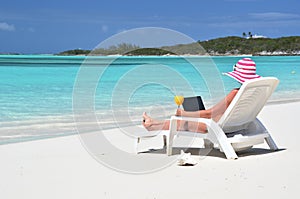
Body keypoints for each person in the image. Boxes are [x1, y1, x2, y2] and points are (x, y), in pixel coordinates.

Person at [142, 57, 261, 133]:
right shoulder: (254, 92)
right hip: (235, 124)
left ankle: (152, 124)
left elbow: (209, 114)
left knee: (180, 122)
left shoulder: (236, 93)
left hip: (215, 126)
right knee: (187, 117)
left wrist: (183, 113)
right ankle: (153, 123)